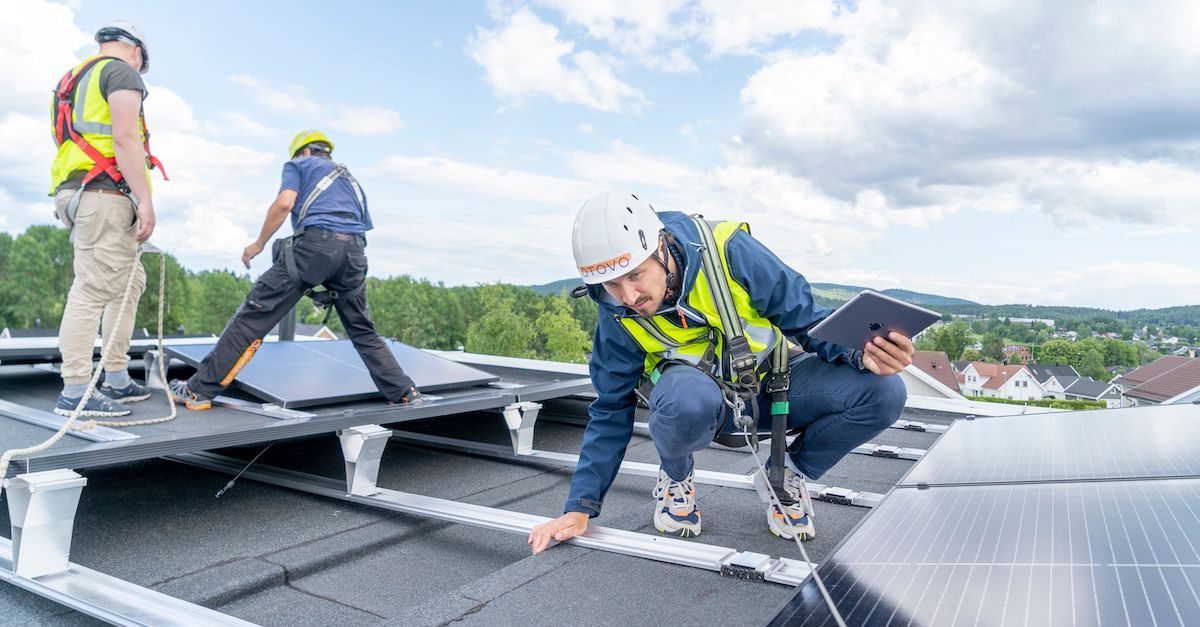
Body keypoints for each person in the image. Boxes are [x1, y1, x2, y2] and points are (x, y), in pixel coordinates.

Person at [529, 191, 912, 552]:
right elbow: (611, 407)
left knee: (884, 392)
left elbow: (807, 321)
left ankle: (783, 475)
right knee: (684, 400)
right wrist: (580, 506)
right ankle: (676, 478)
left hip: (773, 387)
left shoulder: (730, 251)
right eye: (612, 283)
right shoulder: (615, 311)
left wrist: (864, 355)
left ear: (660, 246)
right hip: (696, 405)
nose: (629, 297)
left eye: (635, 275)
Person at [168, 130, 419, 409]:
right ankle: (404, 392)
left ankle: (197, 391)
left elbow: (285, 203)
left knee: (253, 316)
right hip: (355, 252)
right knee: (363, 329)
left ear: (305, 152)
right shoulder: (351, 181)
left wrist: (258, 244)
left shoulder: (298, 165)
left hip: (314, 247)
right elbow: (357, 226)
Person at [51, 20, 167, 417]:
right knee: (93, 287)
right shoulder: (121, 72)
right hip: (103, 193)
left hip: (80, 190)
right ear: (137, 51)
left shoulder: (73, 79)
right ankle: (76, 389)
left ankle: (115, 377)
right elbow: (125, 138)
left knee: (129, 279)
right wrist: (145, 201)